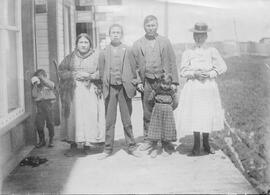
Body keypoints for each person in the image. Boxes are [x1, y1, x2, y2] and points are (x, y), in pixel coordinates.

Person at [177, 22, 227, 155]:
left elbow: (222, 67)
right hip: (193, 87)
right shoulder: (188, 52)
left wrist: (210, 73)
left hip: (208, 87)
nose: (199, 38)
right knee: (195, 114)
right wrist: (194, 73)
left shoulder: (212, 51)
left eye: (202, 35)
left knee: (206, 113)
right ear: (193, 36)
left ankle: (206, 142)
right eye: (196, 35)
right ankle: (196, 144)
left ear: (206, 36)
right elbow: (182, 71)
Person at [132, 15, 179, 151]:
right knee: (147, 110)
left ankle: (166, 140)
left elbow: (171, 61)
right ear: (144, 27)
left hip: (162, 82)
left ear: (157, 26)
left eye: (153, 25)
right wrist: (138, 82)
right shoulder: (138, 43)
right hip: (147, 81)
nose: (151, 28)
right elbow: (134, 65)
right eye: (148, 26)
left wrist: (174, 82)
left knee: (165, 110)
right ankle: (149, 139)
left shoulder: (165, 42)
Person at [98, 24, 141, 159]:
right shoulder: (104, 52)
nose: (115, 35)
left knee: (126, 120)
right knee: (110, 120)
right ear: (109, 35)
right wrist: (104, 86)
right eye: (113, 32)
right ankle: (107, 148)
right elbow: (101, 72)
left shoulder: (128, 50)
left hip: (124, 89)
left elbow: (135, 69)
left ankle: (132, 146)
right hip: (110, 89)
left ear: (121, 35)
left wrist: (135, 83)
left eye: (118, 32)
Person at [58, 33, 105, 156]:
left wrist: (90, 76)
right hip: (74, 92)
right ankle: (73, 144)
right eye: (81, 42)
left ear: (90, 44)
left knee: (89, 117)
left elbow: (103, 71)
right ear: (76, 44)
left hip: (90, 91)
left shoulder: (96, 57)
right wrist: (73, 74)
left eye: (86, 42)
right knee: (75, 117)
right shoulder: (70, 57)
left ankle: (86, 143)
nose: (83, 45)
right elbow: (61, 71)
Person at [148, 74, 177, 158]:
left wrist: (171, 108)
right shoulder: (156, 90)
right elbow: (150, 99)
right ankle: (157, 148)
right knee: (157, 128)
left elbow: (176, 102)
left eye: (167, 84)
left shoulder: (171, 92)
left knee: (167, 128)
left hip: (168, 111)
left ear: (170, 84)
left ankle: (166, 147)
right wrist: (154, 107)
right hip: (157, 110)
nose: (165, 86)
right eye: (163, 83)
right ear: (160, 83)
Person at [31, 69, 56, 148]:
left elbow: (52, 86)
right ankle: (42, 140)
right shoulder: (36, 86)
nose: (39, 78)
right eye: (38, 76)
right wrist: (35, 84)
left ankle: (51, 139)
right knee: (39, 124)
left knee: (50, 123)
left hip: (49, 105)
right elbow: (34, 95)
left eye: (41, 76)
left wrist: (43, 79)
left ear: (45, 76)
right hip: (40, 106)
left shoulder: (49, 83)